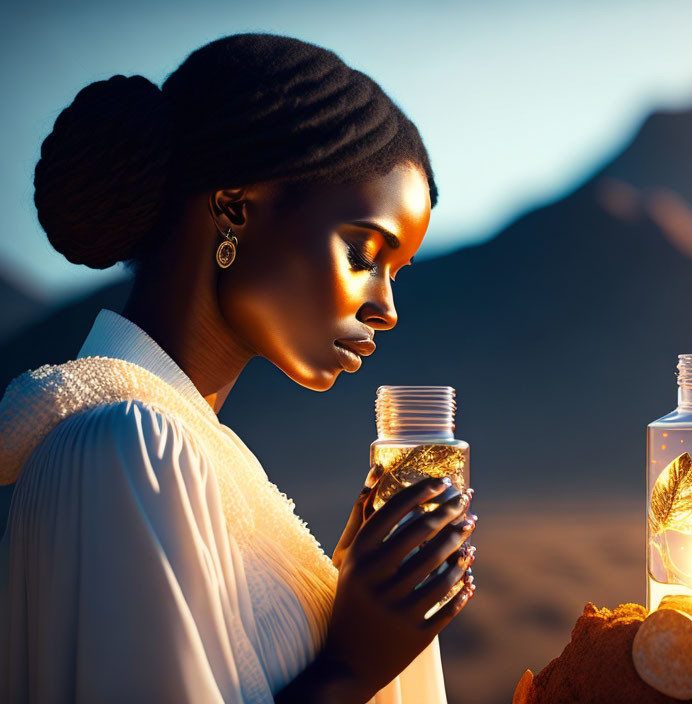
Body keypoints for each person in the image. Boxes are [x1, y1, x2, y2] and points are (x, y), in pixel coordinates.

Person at [0, 32, 477, 704]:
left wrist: (352, 592)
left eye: (395, 272)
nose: (387, 309)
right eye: (366, 254)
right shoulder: (130, 448)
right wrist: (350, 667)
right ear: (234, 208)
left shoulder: (193, 455)